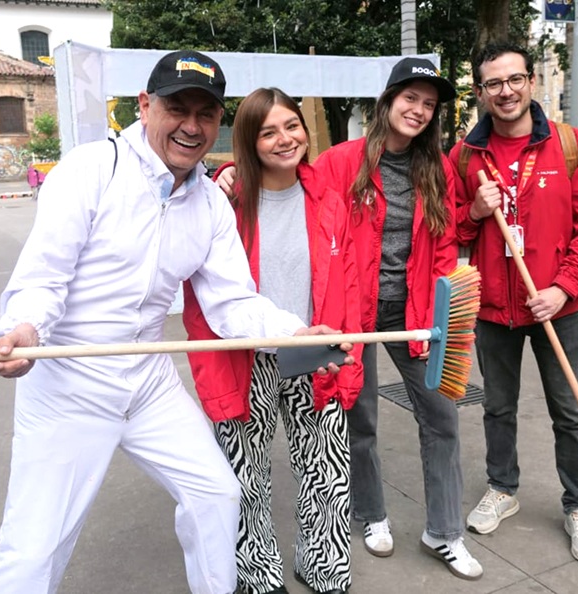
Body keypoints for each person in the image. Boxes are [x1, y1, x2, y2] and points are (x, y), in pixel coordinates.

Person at [0, 50, 351, 594]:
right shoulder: (90, 170)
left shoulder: (210, 205)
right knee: (34, 547)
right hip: (68, 378)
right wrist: (26, 329)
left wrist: (292, 331)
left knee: (216, 496)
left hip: (149, 380)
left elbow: (232, 303)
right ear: (144, 105)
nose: (192, 126)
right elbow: (43, 277)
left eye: (206, 113)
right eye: (178, 108)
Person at [221, 58, 479, 580]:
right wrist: (223, 174)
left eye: (429, 104)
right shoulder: (342, 161)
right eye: (410, 98)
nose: (419, 110)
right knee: (356, 419)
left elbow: (446, 242)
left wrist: (437, 316)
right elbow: (285, 185)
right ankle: (371, 515)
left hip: (413, 314)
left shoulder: (440, 169)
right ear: (387, 101)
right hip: (349, 314)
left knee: (442, 416)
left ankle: (445, 532)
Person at [183, 87, 362, 594]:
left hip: (315, 348)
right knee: (246, 473)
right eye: (268, 132)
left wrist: (347, 351)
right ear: (248, 141)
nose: (285, 140)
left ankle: (325, 569)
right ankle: (259, 575)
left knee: (327, 471)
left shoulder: (327, 196)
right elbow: (204, 295)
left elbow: (347, 281)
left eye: (292, 126)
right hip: (247, 355)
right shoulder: (225, 201)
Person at [449, 42, 578, 563]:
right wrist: (474, 208)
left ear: (531, 82)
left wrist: (564, 286)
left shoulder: (569, 145)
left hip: (557, 309)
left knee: (571, 410)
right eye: (493, 83)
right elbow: (448, 230)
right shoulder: (465, 155)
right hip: (494, 308)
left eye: (514, 79)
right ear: (480, 92)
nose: (506, 91)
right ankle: (503, 487)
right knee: (497, 407)